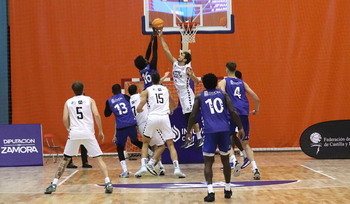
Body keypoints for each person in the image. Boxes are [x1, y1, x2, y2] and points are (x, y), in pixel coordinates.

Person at [44, 81, 113, 194]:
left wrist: (68, 129)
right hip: (88, 133)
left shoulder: (68, 102)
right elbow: (96, 115)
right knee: (99, 159)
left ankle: (54, 184)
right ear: (83, 89)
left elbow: (65, 119)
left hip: (74, 133)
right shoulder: (90, 100)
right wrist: (100, 131)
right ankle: (108, 182)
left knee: (65, 160)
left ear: (73, 90)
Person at [186, 73, 244, 202]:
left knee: (208, 162)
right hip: (224, 130)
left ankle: (211, 192)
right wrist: (240, 127)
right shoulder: (223, 94)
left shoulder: (199, 97)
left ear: (204, 84)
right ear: (216, 83)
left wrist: (189, 131)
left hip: (210, 131)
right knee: (225, 160)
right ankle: (228, 189)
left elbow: (192, 116)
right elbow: (233, 111)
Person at [158, 30, 203, 149]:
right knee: (188, 117)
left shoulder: (188, 68)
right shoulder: (175, 63)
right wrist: (161, 37)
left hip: (187, 93)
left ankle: (197, 139)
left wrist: (192, 75)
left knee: (190, 116)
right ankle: (195, 139)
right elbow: (166, 50)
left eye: (182, 55)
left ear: (185, 59)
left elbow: (197, 82)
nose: (180, 55)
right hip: (181, 94)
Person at [136, 72, 186, 178]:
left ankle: (144, 166)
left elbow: (141, 105)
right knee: (171, 145)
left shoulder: (147, 91)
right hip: (164, 118)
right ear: (160, 80)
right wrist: (171, 109)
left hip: (152, 117)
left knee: (145, 143)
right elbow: (173, 104)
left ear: (151, 81)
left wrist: (139, 109)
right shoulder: (166, 89)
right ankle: (177, 168)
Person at [218, 62, 261, 180]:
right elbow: (256, 98)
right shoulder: (242, 83)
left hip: (231, 113)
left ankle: (234, 161)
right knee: (245, 143)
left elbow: (222, 94)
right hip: (243, 113)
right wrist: (256, 110)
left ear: (226, 69)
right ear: (235, 69)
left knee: (227, 139)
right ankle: (255, 168)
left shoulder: (224, 81)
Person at [104, 84, 143, 178]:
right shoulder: (125, 97)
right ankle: (150, 152)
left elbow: (106, 114)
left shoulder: (109, 101)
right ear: (120, 91)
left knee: (120, 147)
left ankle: (125, 171)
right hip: (132, 124)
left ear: (112, 92)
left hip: (121, 127)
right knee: (135, 141)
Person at [128, 84, 166, 177]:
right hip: (148, 122)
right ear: (137, 90)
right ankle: (150, 165)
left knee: (152, 146)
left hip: (140, 126)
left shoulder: (129, 101)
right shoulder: (141, 95)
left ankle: (160, 167)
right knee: (161, 146)